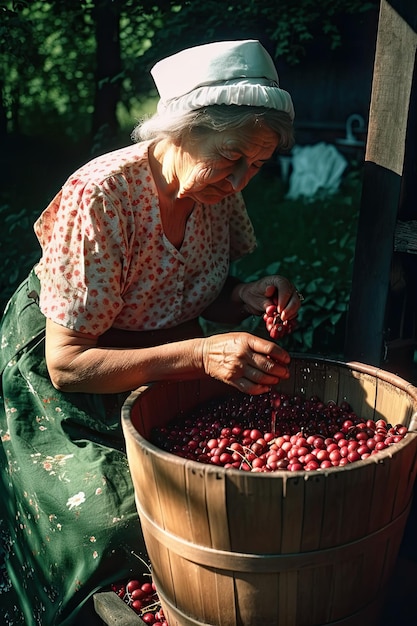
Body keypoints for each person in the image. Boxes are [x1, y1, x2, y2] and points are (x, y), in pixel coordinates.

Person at [0, 39, 301, 624]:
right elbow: (68, 364)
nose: (241, 181)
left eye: (257, 166)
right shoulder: (103, 196)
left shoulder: (213, 190)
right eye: (232, 156)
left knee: (225, 491)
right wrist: (199, 354)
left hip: (164, 356)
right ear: (180, 129)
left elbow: (193, 283)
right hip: (70, 373)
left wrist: (244, 294)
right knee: (124, 518)